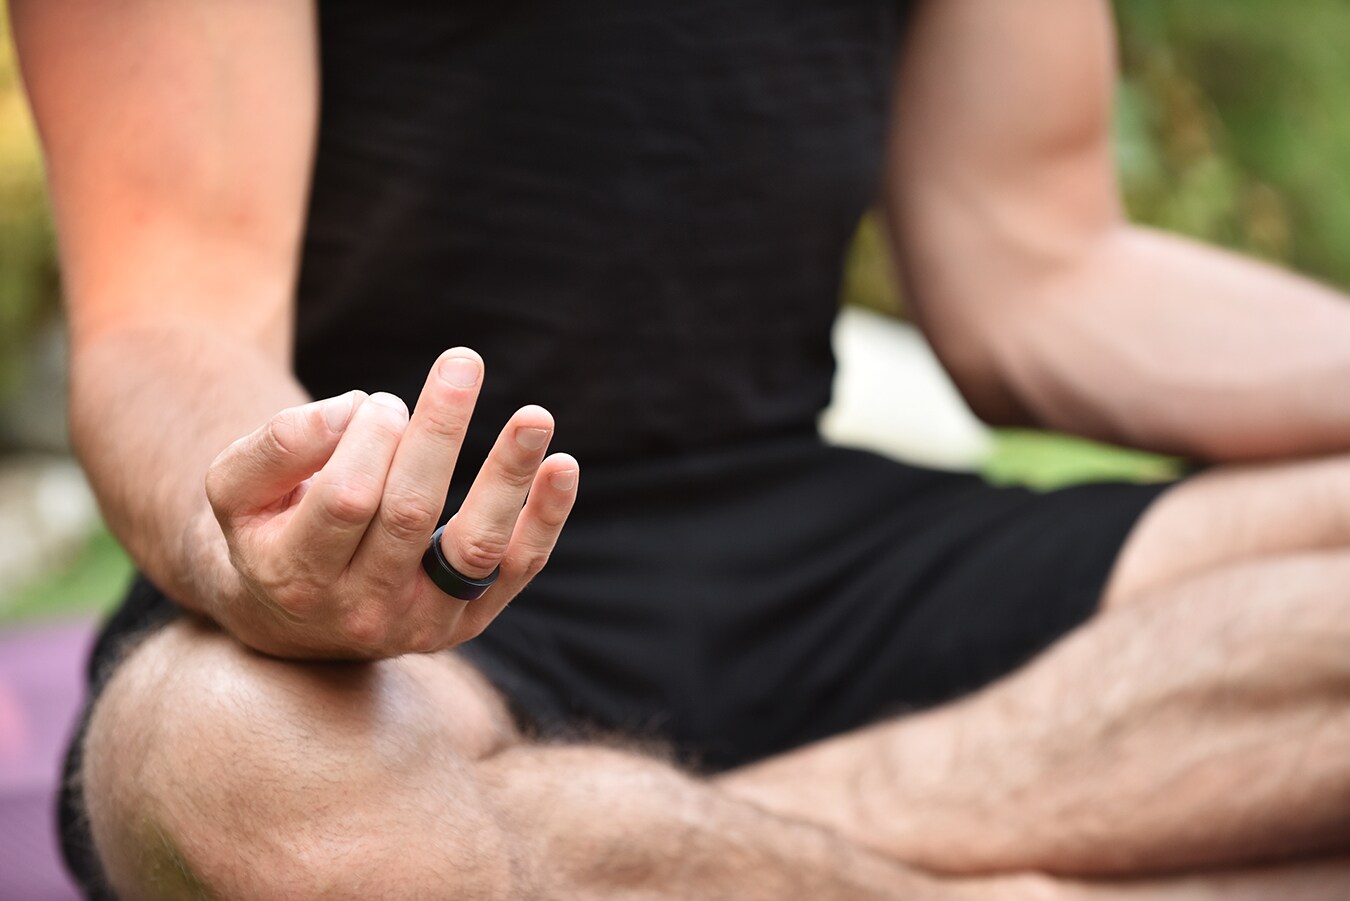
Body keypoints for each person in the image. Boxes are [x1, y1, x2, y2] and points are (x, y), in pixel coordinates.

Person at [11, 0, 1350, 897]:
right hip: (414, 610)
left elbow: (1038, 264)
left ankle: (639, 844)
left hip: (823, 547)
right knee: (235, 773)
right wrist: (266, 550)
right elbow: (169, 321)